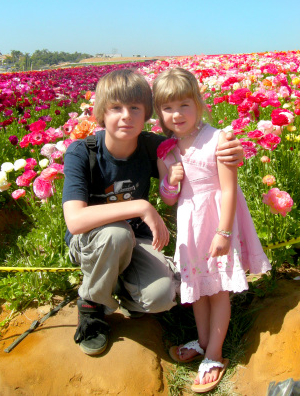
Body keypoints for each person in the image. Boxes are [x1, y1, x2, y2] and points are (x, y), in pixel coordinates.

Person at [62, 68, 244, 357]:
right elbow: (74, 221)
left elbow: (194, 146)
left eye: (135, 108)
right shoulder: (82, 152)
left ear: (147, 113)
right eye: (116, 108)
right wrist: (141, 205)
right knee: (115, 233)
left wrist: (233, 150)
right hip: (91, 242)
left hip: (136, 241)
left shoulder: (151, 145)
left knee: (163, 296)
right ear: (100, 113)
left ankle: (124, 290)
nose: (126, 116)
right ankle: (91, 307)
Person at [153, 68, 271, 393]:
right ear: (159, 113)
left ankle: (215, 354)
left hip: (217, 223)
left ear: (199, 104)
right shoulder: (167, 151)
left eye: (184, 105)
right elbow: (169, 198)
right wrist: (170, 181)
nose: (176, 114)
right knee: (198, 288)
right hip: (190, 226)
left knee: (217, 290)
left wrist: (224, 233)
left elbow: (230, 190)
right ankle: (204, 344)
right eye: (168, 108)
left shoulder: (218, 139)